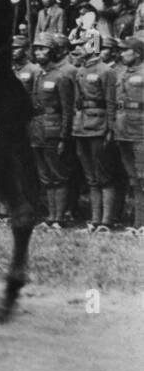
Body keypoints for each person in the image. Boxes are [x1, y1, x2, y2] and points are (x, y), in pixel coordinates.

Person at [29, 32, 76, 229]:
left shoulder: (62, 76)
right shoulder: (39, 75)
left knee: (58, 175)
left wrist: (64, 137)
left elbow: (67, 110)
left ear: (53, 51)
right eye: (37, 49)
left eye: (43, 49)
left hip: (54, 130)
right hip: (38, 129)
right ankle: (50, 215)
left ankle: (59, 217)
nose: (39, 52)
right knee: (45, 176)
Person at [72, 33, 118, 232]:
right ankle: (95, 219)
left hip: (99, 125)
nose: (79, 48)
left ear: (93, 46)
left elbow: (111, 102)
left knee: (104, 175)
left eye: (82, 45)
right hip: (81, 126)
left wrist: (110, 128)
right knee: (90, 176)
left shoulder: (106, 71)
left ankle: (106, 221)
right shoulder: (80, 70)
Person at [107, 36, 144, 235]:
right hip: (123, 131)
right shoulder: (119, 73)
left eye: (125, 51)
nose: (121, 54)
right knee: (133, 180)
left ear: (137, 53)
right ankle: (138, 223)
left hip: (141, 131)